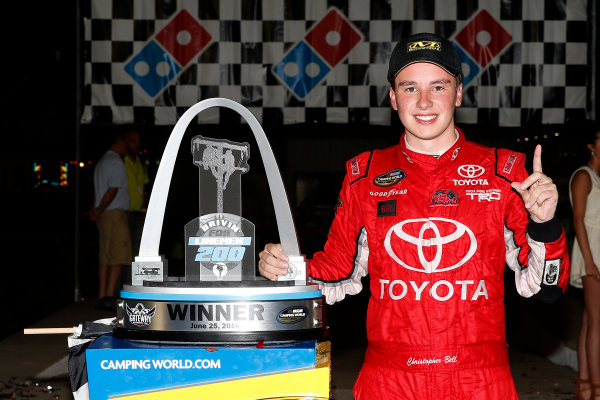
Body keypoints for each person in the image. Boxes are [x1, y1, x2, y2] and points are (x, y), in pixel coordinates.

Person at [258, 32, 570, 399]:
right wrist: (284, 267)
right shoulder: (364, 174)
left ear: (458, 93)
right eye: (409, 88)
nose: (424, 101)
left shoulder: (506, 173)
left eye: (438, 87)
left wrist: (545, 223)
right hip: (389, 379)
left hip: (479, 379)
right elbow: (337, 270)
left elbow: (547, 290)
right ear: (393, 97)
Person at [570, 125, 600, 400]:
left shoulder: (598, 178)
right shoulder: (583, 175)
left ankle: (586, 385)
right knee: (597, 323)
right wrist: (589, 263)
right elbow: (578, 220)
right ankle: (597, 388)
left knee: (590, 322)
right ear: (591, 146)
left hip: (596, 255)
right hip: (592, 257)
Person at [88, 133, 131, 311]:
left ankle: (102, 294)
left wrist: (95, 210)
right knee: (117, 255)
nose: (126, 147)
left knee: (104, 256)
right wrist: (98, 209)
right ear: (118, 143)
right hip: (113, 214)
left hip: (104, 215)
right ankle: (108, 296)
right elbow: (112, 190)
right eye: (125, 143)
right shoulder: (116, 162)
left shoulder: (101, 162)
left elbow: (98, 190)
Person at [124, 129, 149, 256]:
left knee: (137, 252)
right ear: (126, 142)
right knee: (123, 252)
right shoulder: (121, 162)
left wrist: (144, 210)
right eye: (133, 142)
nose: (137, 145)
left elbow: (144, 187)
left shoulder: (141, 162)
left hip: (139, 215)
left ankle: (132, 277)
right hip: (124, 215)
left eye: (138, 142)